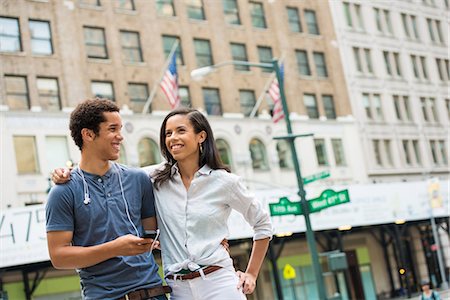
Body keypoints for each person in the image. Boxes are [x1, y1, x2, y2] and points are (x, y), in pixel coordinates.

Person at [53, 107, 273, 299]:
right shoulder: (153, 177)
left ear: (201, 136)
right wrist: (67, 173)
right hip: (177, 288)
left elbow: (262, 224)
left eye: (181, 131)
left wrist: (251, 273)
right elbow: (104, 172)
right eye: (168, 133)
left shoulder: (224, 181)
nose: (172, 138)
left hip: (217, 280)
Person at [46, 98, 170, 300]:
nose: (120, 137)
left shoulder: (139, 179)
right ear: (88, 134)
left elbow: (154, 235)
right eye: (112, 129)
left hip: (153, 292)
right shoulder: (63, 192)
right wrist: (114, 248)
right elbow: (59, 257)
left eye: (120, 129)